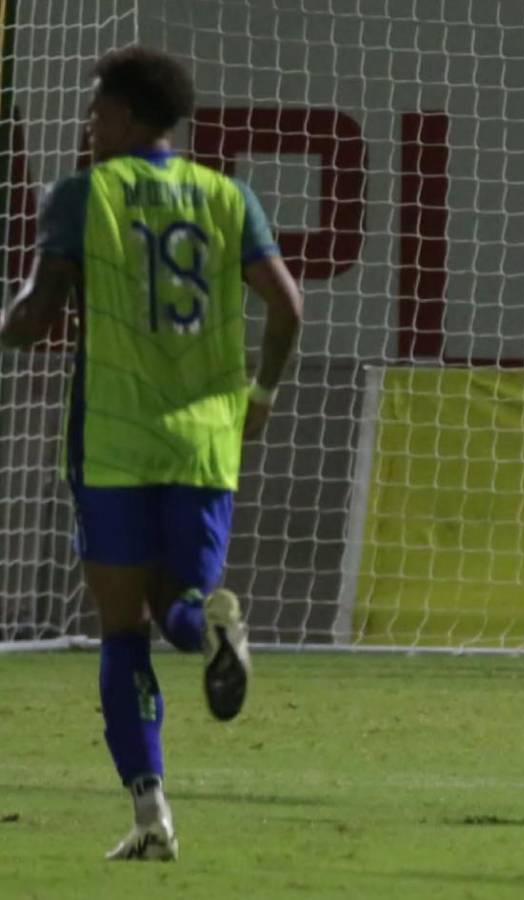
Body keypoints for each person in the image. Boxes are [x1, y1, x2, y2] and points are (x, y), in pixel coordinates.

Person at [0, 46, 302, 859]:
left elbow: (38, 313)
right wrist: (261, 397)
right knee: (180, 608)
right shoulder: (226, 195)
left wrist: (9, 324)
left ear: (129, 116)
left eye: (97, 108)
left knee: (121, 628)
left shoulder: (82, 196)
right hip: (206, 435)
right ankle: (214, 628)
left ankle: (151, 816)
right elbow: (287, 306)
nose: (87, 120)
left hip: (114, 439)